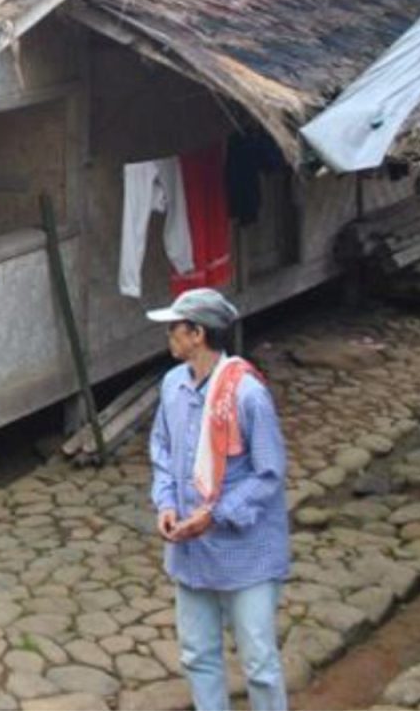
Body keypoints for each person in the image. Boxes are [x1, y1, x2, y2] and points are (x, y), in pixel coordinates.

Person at [146, 288, 290, 711]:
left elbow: (269, 473)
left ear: (197, 334)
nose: (169, 335)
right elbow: (161, 451)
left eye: (175, 328)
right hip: (191, 551)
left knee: (260, 662)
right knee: (197, 655)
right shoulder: (173, 386)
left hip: (246, 552)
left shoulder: (247, 395)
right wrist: (167, 503)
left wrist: (216, 514)